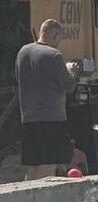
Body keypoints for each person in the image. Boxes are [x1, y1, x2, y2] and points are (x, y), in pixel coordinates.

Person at [16, 19, 78, 180]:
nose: (59, 43)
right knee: (48, 164)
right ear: (55, 35)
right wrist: (70, 71)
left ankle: (28, 201)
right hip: (51, 118)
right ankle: (45, 201)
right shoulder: (54, 55)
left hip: (28, 118)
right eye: (60, 38)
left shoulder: (22, 52)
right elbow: (68, 85)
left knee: (32, 166)